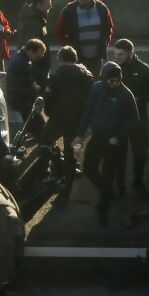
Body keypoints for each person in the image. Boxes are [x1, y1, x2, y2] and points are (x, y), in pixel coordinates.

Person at [74, 61, 140, 225]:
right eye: (111, 81)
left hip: (115, 141)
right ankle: (108, 191)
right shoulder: (96, 88)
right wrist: (79, 136)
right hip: (98, 137)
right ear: (104, 78)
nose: (115, 83)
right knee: (89, 168)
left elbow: (134, 121)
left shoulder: (126, 94)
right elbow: (87, 111)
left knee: (109, 173)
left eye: (117, 80)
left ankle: (102, 208)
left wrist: (118, 136)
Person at [41, 46, 93, 203]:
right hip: (77, 121)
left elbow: (48, 101)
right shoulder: (87, 75)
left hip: (58, 119)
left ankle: (49, 172)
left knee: (43, 144)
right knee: (72, 155)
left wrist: (50, 113)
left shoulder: (56, 77)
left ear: (61, 59)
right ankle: (66, 189)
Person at [111, 39, 149, 199]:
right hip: (118, 121)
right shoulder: (112, 69)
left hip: (138, 119)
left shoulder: (144, 69)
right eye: (115, 53)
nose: (117, 57)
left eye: (121, 54)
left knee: (140, 154)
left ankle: (138, 182)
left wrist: (139, 99)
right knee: (118, 155)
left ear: (131, 53)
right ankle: (119, 185)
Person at [55, 0, 113, 76]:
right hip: (77, 56)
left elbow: (109, 28)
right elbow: (59, 31)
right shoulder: (70, 10)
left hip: (96, 56)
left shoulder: (101, 8)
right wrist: (69, 48)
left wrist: (105, 43)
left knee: (95, 79)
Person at [12, 0, 53, 83]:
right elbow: (31, 48)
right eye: (48, 3)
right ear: (39, 5)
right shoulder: (33, 23)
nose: (50, 6)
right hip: (36, 71)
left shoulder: (34, 19)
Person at [5, 39, 48, 124]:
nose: (38, 59)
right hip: (21, 103)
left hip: (21, 100)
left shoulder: (20, 57)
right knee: (39, 128)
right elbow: (17, 88)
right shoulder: (21, 64)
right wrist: (34, 88)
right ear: (30, 51)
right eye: (37, 56)